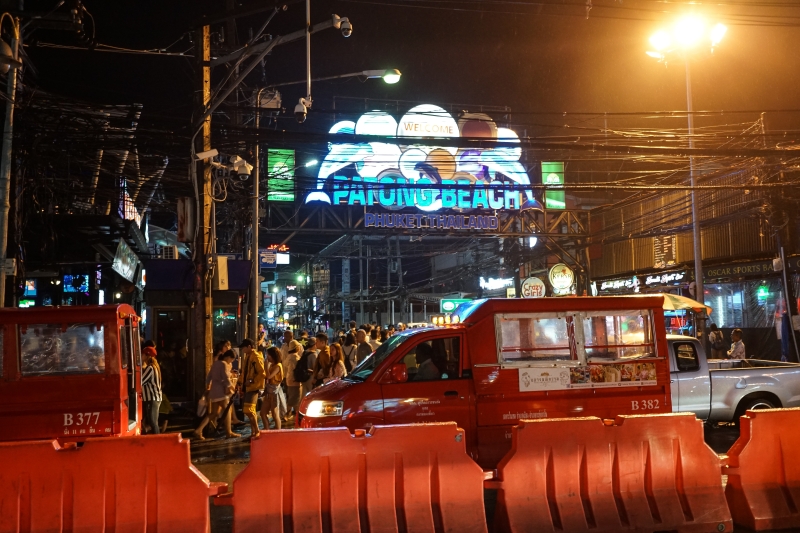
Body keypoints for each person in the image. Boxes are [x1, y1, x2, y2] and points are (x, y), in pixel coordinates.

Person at [193, 350, 240, 439]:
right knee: (227, 411)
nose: (231, 362)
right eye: (232, 359)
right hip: (221, 392)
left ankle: (198, 430)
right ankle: (229, 432)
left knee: (214, 413)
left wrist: (208, 386)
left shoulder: (216, 363)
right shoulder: (223, 364)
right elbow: (225, 378)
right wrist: (232, 388)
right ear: (229, 357)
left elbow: (209, 377)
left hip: (214, 392)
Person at [239, 338, 266, 438]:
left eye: (244, 348)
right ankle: (253, 432)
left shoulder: (256, 357)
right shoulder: (249, 356)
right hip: (248, 387)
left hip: (253, 387)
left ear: (249, 347)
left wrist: (251, 381)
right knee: (249, 410)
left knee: (249, 410)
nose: (242, 350)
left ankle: (257, 431)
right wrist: (241, 382)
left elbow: (262, 373)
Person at [261, 347, 284, 430]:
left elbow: (269, 377)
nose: (267, 357)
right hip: (269, 392)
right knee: (263, 413)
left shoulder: (278, 366)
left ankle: (278, 432)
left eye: (269, 355)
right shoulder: (272, 365)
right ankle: (267, 430)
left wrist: (266, 366)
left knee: (275, 414)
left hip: (274, 392)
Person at [141, 346, 162, 434]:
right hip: (153, 398)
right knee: (152, 422)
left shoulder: (150, 368)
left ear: (147, 356)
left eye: (142, 354)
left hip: (152, 398)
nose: (141, 356)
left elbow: (141, 381)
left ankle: (158, 442)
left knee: (153, 423)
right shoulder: (155, 367)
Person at [283, 334, 302, 421]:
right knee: (295, 398)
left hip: (288, 379)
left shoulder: (288, 357)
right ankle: (287, 414)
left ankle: (295, 414)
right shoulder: (296, 357)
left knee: (291, 396)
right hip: (295, 381)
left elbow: (285, 365)